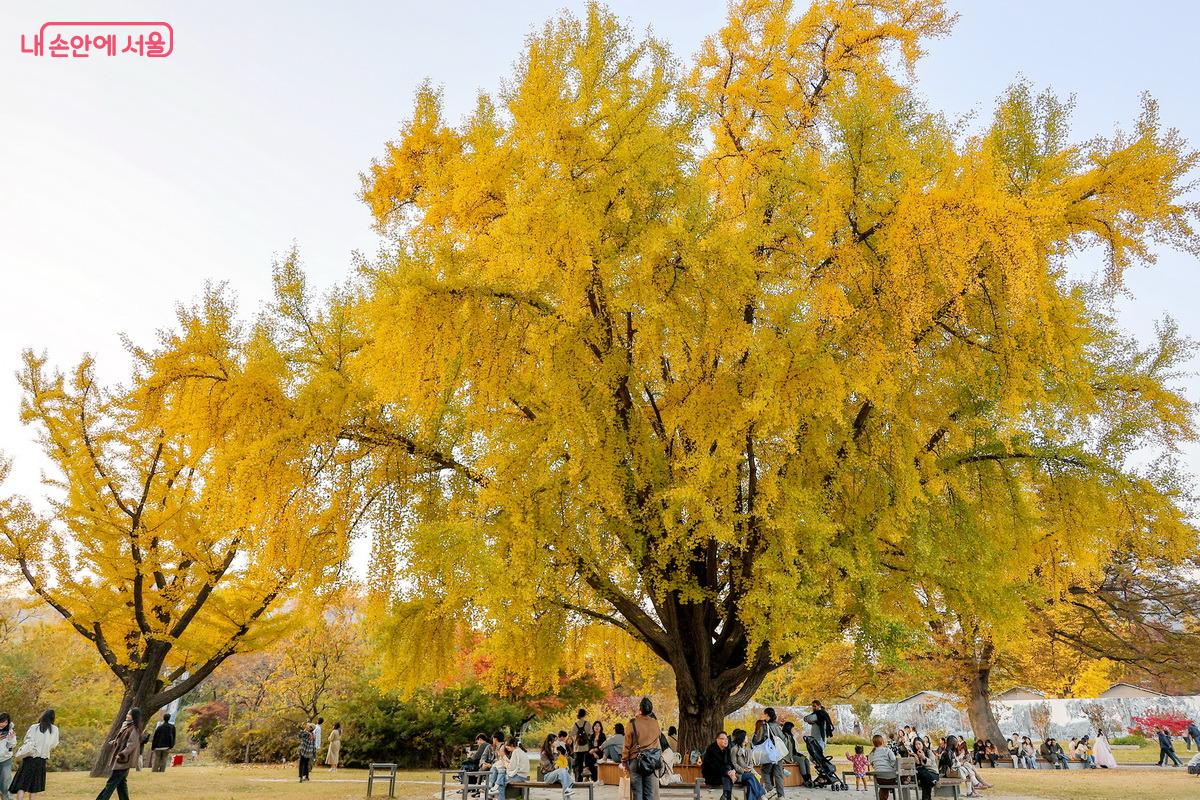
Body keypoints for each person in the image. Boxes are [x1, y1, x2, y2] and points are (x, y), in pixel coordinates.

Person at [8, 709, 58, 800]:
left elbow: (26, 739)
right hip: (41, 760)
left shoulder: (34, 727)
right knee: (35, 785)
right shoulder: (54, 729)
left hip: (29, 758)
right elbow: (54, 744)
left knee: (22, 783)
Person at [94, 708, 142, 800]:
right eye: (127, 714)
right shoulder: (127, 726)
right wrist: (114, 742)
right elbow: (122, 740)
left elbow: (131, 746)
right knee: (121, 784)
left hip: (123, 760)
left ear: (134, 717)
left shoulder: (134, 729)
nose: (127, 715)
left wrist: (121, 754)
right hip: (122, 759)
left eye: (129, 714)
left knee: (111, 783)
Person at [622, 697, 663, 800]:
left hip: (636, 760)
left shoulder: (632, 723)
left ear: (640, 709)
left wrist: (624, 761)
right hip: (651, 761)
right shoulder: (655, 723)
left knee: (637, 794)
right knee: (649, 793)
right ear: (651, 709)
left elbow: (626, 745)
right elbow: (658, 740)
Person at [751, 708, 785, 800]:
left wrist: (754, 735)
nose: (763, 716)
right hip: (779, 754)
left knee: (765, 771)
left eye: (764, 714)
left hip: (769, 754)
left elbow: (758, 740)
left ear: (767, 715)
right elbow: (783, 738)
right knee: (779, 774)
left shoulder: (765, 726)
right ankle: (781, 796)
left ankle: (771, 791)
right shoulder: (777, 726)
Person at [728, 730, 765, 800]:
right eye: (746, 736)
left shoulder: (748, 749)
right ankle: (761, 795)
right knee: (751, 776)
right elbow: (734, 763)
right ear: (742, 738)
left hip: (748, 774)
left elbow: (751, 762)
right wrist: (743, 770)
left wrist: (749, 768)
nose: (747, 738)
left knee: (750, 784)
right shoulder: (734, 749)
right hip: (739, 775)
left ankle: (758, 797)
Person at [701, 732, 734, 800]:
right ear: (717, 740)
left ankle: (725, 795)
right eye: (723, 739)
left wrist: (733, 771)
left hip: (724, 775)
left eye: (727, 739)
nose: (726, 741)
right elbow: (715, 767)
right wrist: (728, 772)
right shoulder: (711, 750)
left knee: (729, 775)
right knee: (728, 777)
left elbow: (730, 763)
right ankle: (726, 796)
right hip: (712, 775)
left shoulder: (727, 750)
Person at [779, 721, 811, 786]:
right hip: (789, 756)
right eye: (792, 728)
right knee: (801, 760)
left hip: (794, 754)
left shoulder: (791, 736)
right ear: (788, 728)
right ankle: (806, 780)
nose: (793, 729)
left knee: (805, 759)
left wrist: (800, 754)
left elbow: (794, 749)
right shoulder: (785, 736)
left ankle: (809, 778)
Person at [869, 734, 898, 800]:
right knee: (901, 774)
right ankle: (905, 780)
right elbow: (894, 760)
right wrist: (892, 766)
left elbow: (872, 764)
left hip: (879, 779)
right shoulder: (887, 750)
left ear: (873, 743)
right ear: (882, 741)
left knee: (884, 787)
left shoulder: (871, 753)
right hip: (890, 778)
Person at [570, 710, 590, 782]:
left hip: (577, 748)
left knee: (578, 765)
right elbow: (589, 734)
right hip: (586, 747)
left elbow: (572, 735)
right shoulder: (587, 723)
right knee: (587, 763)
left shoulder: (575, 724)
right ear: (584, 715)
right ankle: (587, 778)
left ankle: (578, 780)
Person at [0, 713, 16, 800]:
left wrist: (11, 739)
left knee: (6, 782)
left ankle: (7, 798)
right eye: (1, 722)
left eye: (5, 722)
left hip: (6, 759)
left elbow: (12, 746)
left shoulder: (10, 731)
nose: (3, 724)